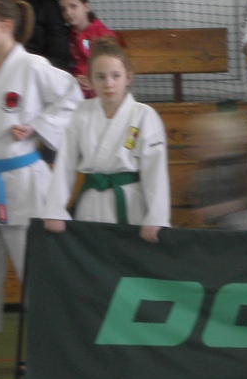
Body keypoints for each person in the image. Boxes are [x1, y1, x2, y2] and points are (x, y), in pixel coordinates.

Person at [0, 0, 80, 370]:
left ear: (6, 25)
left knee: (35, 271)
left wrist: (39, 126)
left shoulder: (34, 66)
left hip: (25, 183)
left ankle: (47, 353)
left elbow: (72, 96)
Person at [43, 42, 169, 241]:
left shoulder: (144, 115)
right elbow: (65, 163)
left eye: (115, 76)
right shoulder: (81, 113)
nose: (108, 83)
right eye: (100, 77)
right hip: (90, 205)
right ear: (89, 81)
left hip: (129, 204)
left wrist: (156, 217)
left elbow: (155, 171)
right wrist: (55, 209)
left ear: (128, 77)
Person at [57, 0, 118, 98]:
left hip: (99, 92)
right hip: (73, 91)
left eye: (73, 6)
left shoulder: (102, 34)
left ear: (86, 7)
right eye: (64, 9)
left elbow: (112, 66)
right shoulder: (65, 36)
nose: (68, 12)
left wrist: (95, 82)